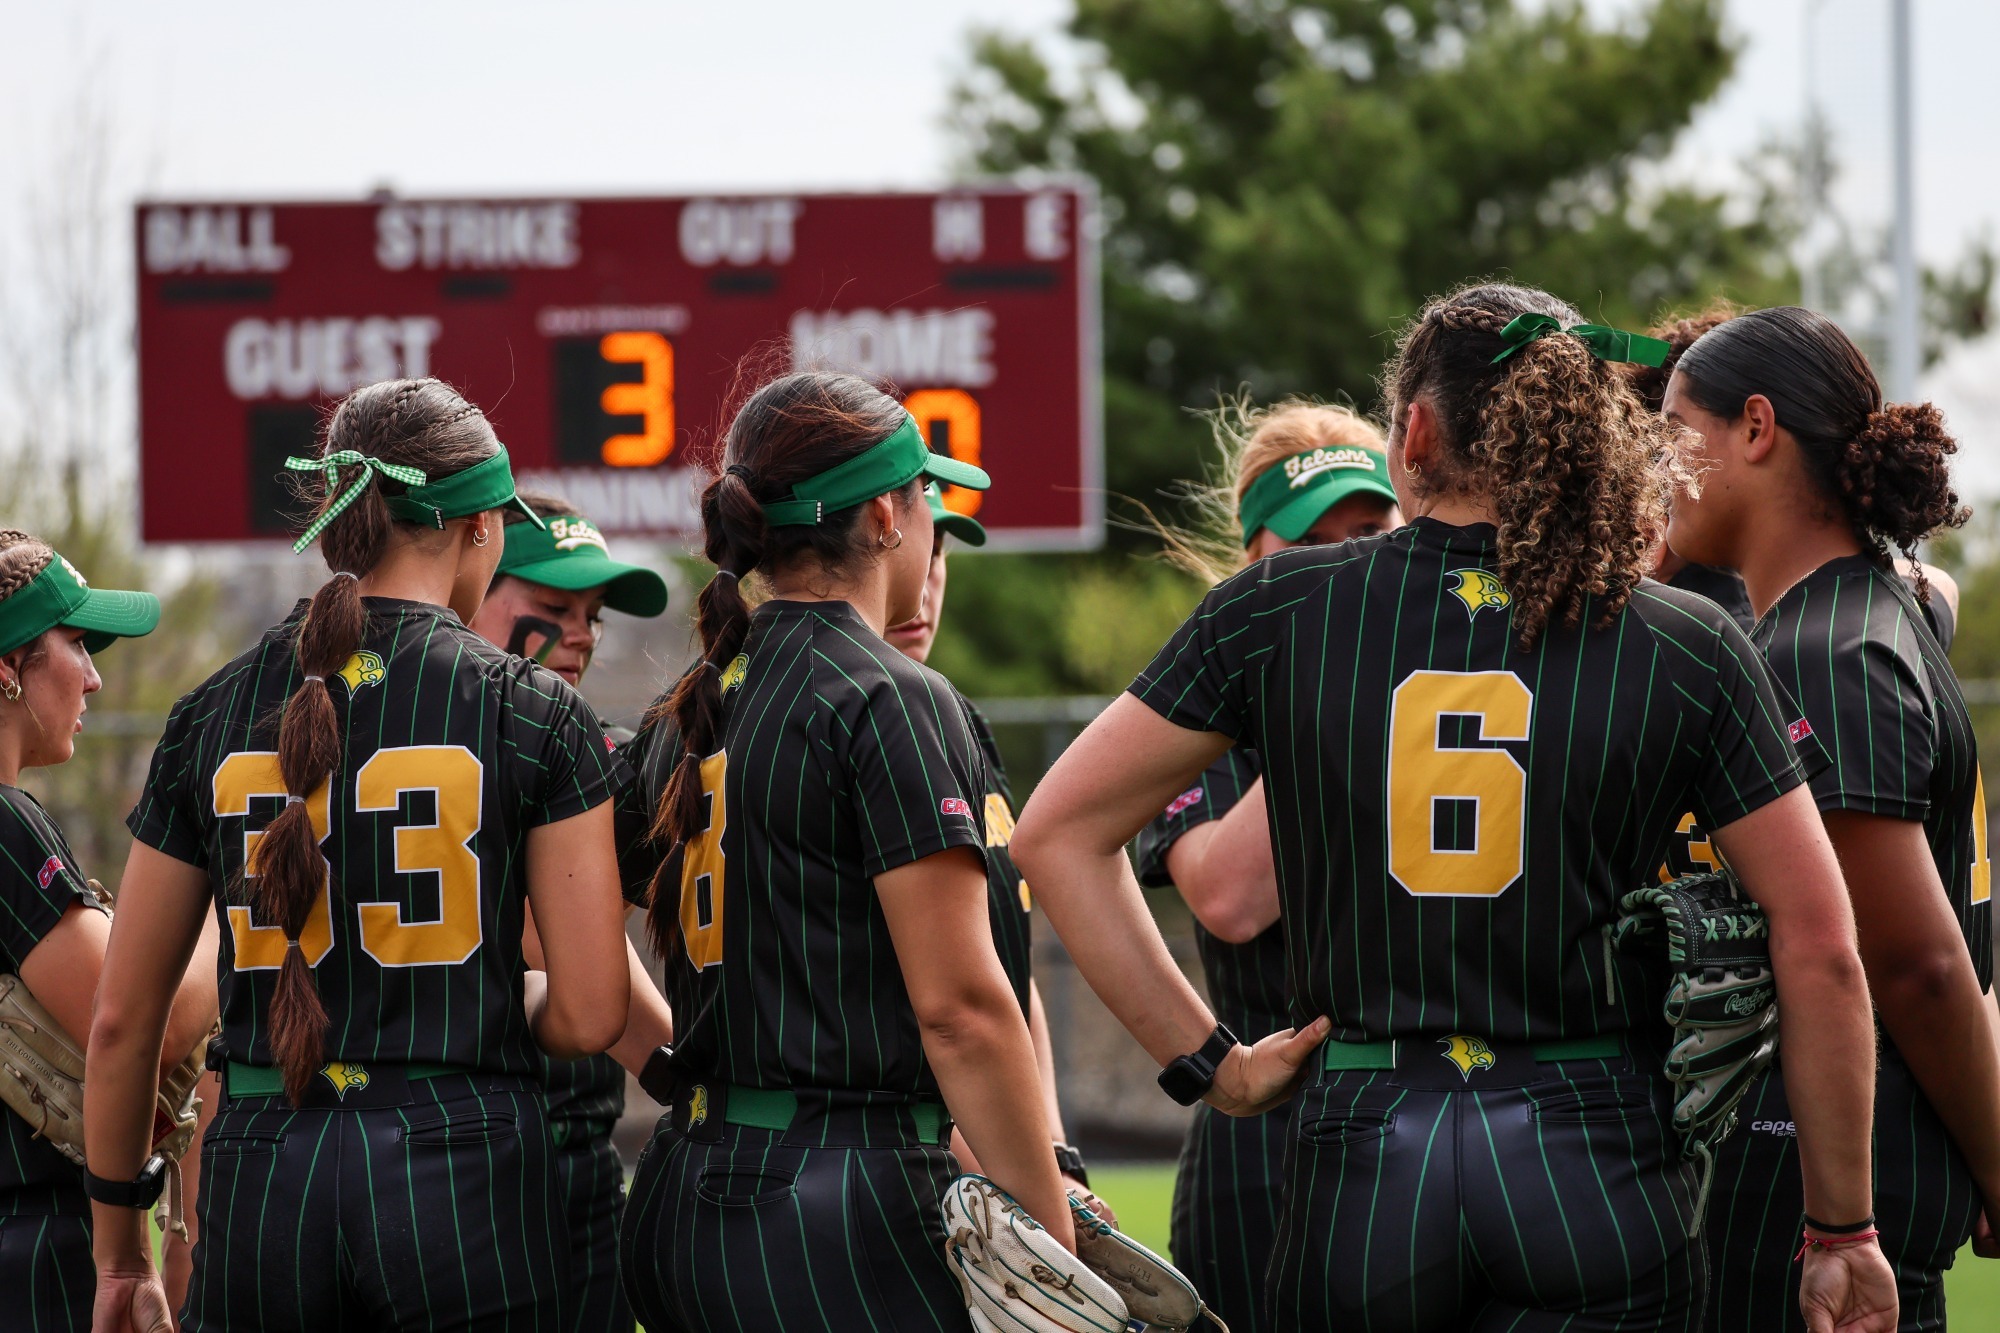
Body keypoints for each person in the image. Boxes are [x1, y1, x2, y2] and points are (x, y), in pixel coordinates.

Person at [1013, 283, 1896, 1333]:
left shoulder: (1275, 608)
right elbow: (1819, 943)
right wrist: (1840, 1229)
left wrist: (1216, 1065)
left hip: (1367, 1153)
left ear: (1415, 430)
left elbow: (1055, 833)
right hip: (1591, 1149)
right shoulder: (1681, 641)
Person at [612, 371, 1271, 1331]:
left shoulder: (692, 704)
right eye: (925, 498)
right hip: (841, 1210)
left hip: (683, 1185)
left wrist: (669, 1066)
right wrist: (1053, 1248)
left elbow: (563, 928)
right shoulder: (889, 695)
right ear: (886, 513)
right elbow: (963, 1011)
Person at [85, 376, 633, 1333]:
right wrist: (485, 993)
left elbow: (124, 1023)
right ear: (479, 528)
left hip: (262, 1176)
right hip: (462, 1174)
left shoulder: (209, 710)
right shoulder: (532, 708)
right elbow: (592, 1015)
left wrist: (120, 1255)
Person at [1662, 306, 2000, 1332]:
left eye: (1675, 431)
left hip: (1816, 1185)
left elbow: (1911, 962)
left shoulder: (1825, 650)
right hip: (1836, 1174)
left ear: (1753, 429)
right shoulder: (1862, 611)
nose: (1655, 466)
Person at [1130, 399, 1402, 1333]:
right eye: (1309, 543)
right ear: (1252, 563)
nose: (1342, 563)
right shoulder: (1207, 706)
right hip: (1267, 1132)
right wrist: (1336, 688)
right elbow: (1231, 898)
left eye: (1369, 534)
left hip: (1425, 1112)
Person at [469, 492, 676, 1333]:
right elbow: (544, 935)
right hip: (468, 1163)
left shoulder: (600, 750)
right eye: (553, 607)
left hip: (564, 1160)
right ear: (468, 576)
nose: (582, 632)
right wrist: (682, 1069)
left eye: (592, 613)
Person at [0, 534, 211, 1332]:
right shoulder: (4, 824)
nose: (93, 676)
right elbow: (130, 1022)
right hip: (31, 1252)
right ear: (8, 667)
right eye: (77, 644)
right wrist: (231, 910)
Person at [882, 483, 1104, 1216]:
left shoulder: (957, 722)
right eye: (910, 543)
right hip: (900, 1167)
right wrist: (1035, 1188)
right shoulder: (851, 730)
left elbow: (1009, 977)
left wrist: (1059, 1157)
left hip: (989, 1168)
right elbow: (947, 1012)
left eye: (940, 550)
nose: (925, 576)